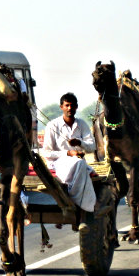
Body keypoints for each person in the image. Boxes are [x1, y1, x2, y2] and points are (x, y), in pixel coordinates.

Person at [41, 92, 97, 231]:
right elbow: (46, 153)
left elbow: (92, 147)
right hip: (58, 162)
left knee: (80, 164)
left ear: (76, 107)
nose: (69, 108)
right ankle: (81, 213)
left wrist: (80, 143)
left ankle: (69, 206)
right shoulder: (52, 125)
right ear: (62, 107)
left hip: (77, 162)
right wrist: (68, 152)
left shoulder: (82, 124)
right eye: (67, 105)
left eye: (72, 105)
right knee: (80, 165)